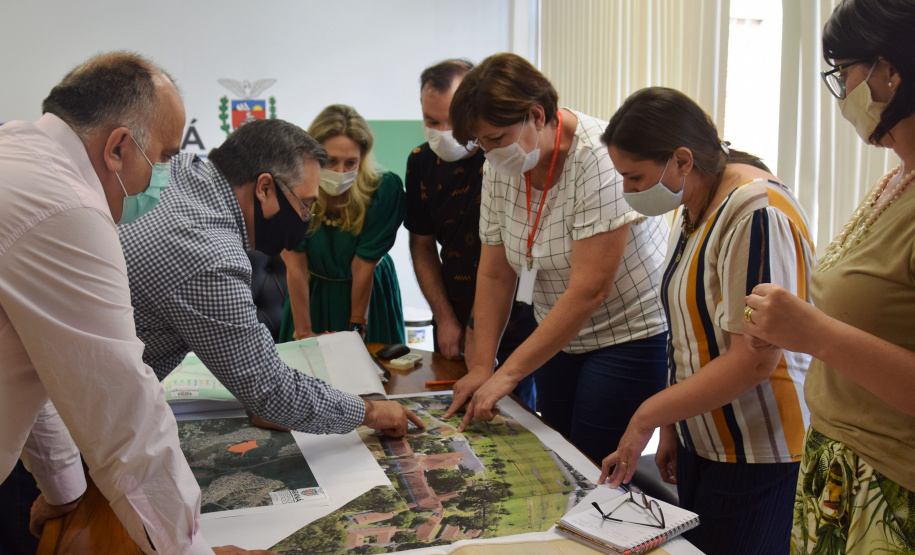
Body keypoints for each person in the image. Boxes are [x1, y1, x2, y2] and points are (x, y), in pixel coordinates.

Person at [0, 51, 270, 555]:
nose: (165, 179)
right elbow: (123, 414)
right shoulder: (66, 207)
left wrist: (63, 491)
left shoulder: (17, 153)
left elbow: (34, 360)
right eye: (165, 157)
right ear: (119, 147)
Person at [598, 87, 815, 555]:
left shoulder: (755, 211)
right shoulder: (695, 206)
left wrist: (647, 418)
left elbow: (754, 360)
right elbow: (690, 334)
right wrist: (676, 425)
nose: (628, 192)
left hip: (758, 451)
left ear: (681, 159)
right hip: (708, 442)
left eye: (634, 178)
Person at [118, 118, 422, 436]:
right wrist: (371, 411)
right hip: (100, 417)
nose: (306, 220)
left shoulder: (179, 169)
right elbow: (268, 389)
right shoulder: (210, 259)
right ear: (265, 188)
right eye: (305, 205)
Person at [743, 1, 915, 552]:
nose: (842, 89)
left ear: (890, 72)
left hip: (892, 483)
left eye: (847, 71)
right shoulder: (895, 180)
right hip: (838, 461)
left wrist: (811, 332)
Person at [445, 53, 670, 466]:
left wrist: (507, 374)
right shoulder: (501, 162)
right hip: (556, 328)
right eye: (481, 142)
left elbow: (590, 289)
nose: (489, 152)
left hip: (627, 333)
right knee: (557, 454)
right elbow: (495, 274)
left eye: (495, 138)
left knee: (590, 464)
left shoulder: (599, 158)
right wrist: (481, 365)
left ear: (535, 115)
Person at [405, 59, 539, 409]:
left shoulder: (504, 157)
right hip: (452, 307)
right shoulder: (420, 163)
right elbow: (421, 245)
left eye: (453, 121)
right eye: (432, 122)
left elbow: (499, 268)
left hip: (516, 317)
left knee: (514, 415)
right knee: (454, 409)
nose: (445, 132)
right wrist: (447, 319)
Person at [279, 105, 406, 345]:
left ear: (363, 158)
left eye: (350, 163)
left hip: (368, 293)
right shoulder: (289, 189)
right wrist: (304, 332)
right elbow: (295, 266)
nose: (340, 171)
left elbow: (363, 266)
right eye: (330, 161)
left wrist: (357, 331)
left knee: (372, 367)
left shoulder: (382, 190)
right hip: (311, 291)